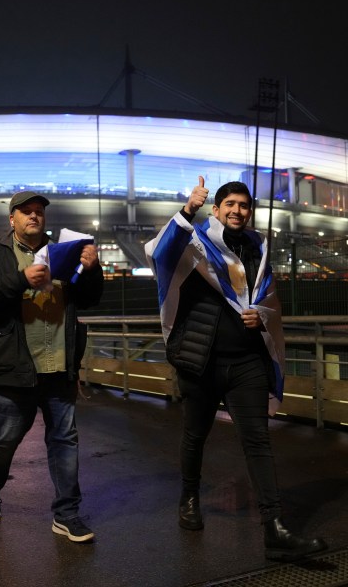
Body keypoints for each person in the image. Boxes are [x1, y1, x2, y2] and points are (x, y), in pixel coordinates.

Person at [145, 176, 327, 561]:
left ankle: (274, 528)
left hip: (246, 361)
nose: (237, 211)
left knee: (258, 441)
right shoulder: (194, 242)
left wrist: (260, 316)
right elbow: (160, 254)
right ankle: (189, 496)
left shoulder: (258, 246)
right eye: (229, 204)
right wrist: (187, 208)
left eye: (244, 205)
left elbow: (268, 297)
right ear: (216, 209)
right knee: (195, 436)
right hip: (201, 360)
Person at [0, 190, 104, 543]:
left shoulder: (64, 251)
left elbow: (88, 298)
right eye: (25, 211)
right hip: (14, 368)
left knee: (64, 441)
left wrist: (91, 269)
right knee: (6, 438)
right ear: (11, 219)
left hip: (59, 364)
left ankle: (67, 514)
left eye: (39, 211)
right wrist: (20, 279)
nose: (34, 216)